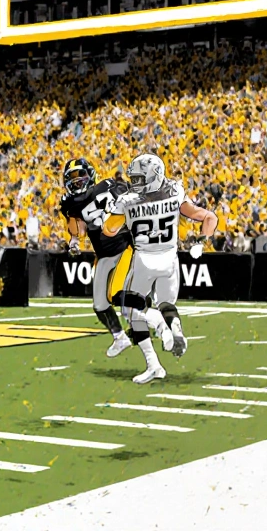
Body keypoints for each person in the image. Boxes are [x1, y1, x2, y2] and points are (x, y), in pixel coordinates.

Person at [102, 154, 218, 383]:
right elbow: (208, 217)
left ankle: (156, 352)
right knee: (166, 304)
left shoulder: (128, 201)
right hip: (170, 258)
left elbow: (108, 230)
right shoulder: (175, 191)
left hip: (145, 260)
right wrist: (201, 243)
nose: (135, 183)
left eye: (138, 178)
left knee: (130, 310)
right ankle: (173, 325)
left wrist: (113, 211)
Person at [57, 158, 134, 358]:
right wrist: (74, 241)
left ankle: (158, 325)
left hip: (125, 246)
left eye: (78, 176)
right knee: (100, 305)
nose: (75, 181)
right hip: (103, 254)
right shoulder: (71, 203)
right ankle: (119, 337)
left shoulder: (109, 186)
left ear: (89, 174)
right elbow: (78, 227)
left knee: (125, 303)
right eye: (71, 178)